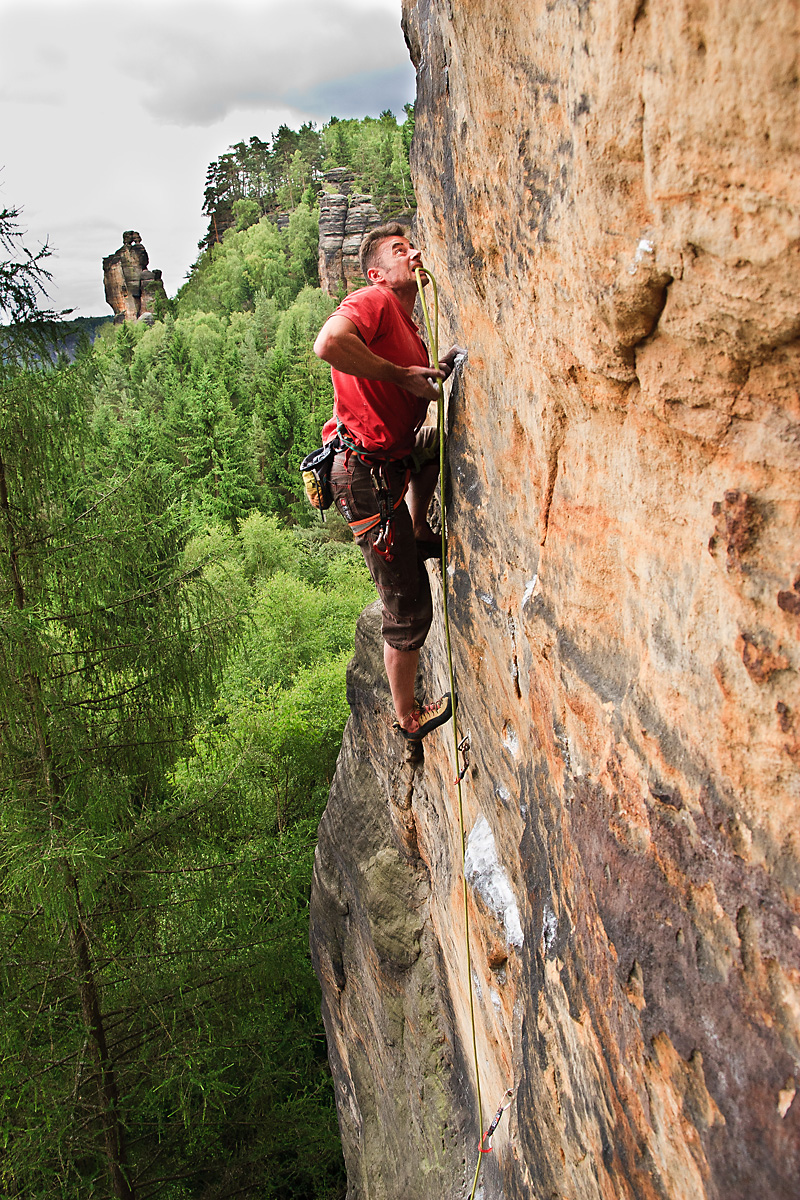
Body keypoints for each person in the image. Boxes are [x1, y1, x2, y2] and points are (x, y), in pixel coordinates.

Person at [313, 223, 462, 741]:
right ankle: (407, 718)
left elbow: (405, 389)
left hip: (384, 464)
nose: (415, 253)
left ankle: (419, 529)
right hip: (361, 473)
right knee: (410, 602)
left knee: (428, 450)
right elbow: (329, 343)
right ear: (377, 272)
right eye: (402, 250)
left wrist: (426, 370)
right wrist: (402, 376)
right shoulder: (373, 300)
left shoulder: (409, 324)